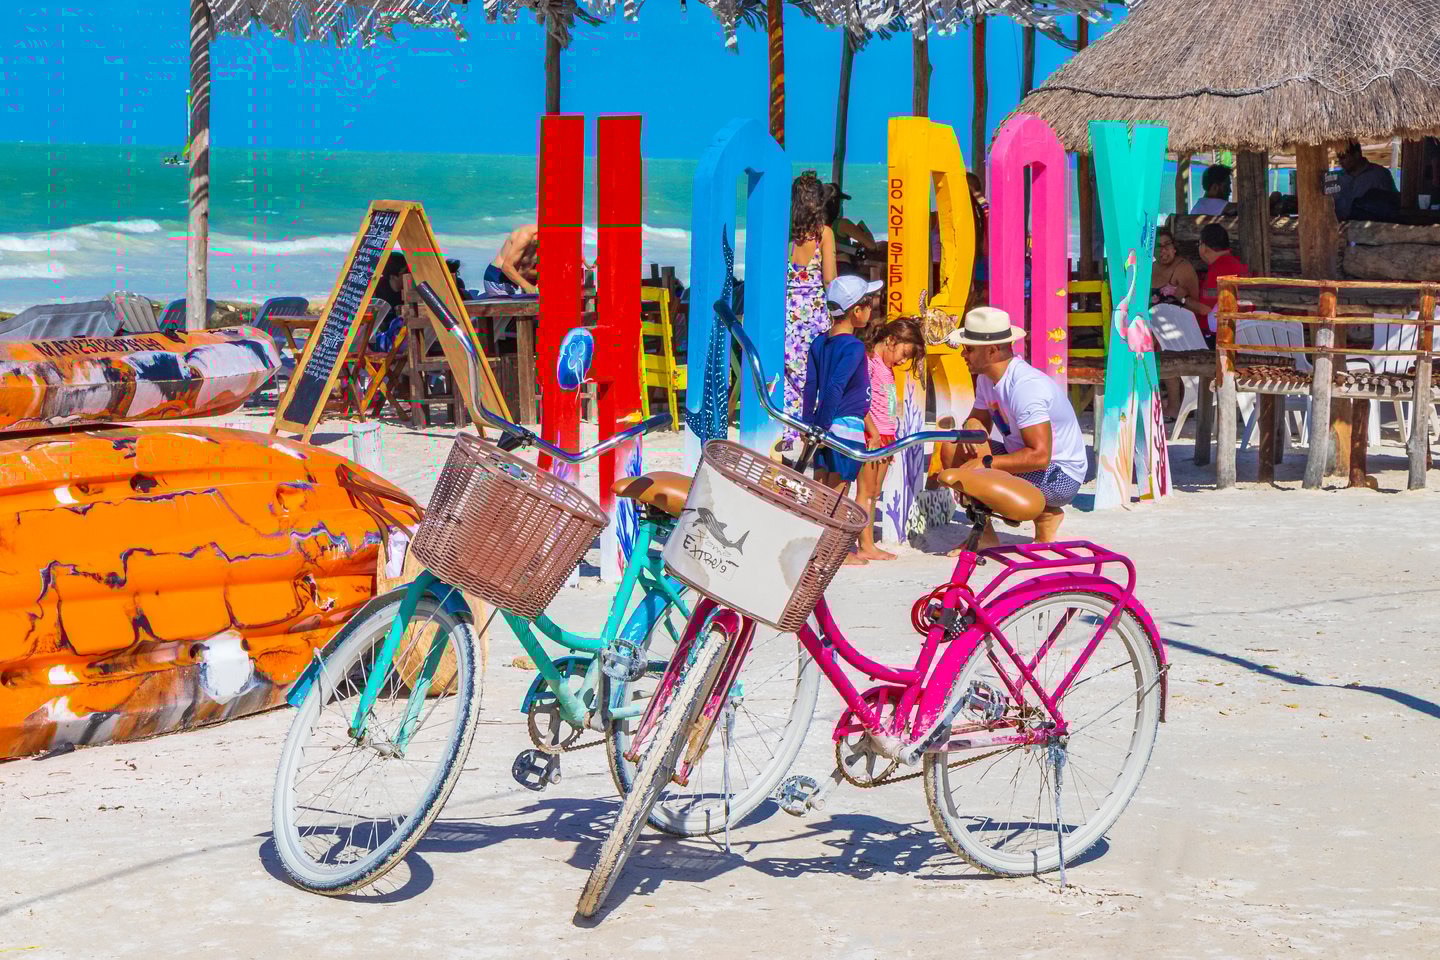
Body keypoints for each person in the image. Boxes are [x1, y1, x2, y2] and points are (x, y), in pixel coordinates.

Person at [935, 306, 1088, 550]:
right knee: (953, 448)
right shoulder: (988, 379)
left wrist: (985, 464)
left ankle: (1045, 512)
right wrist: (972, 424)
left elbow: (1039, 456)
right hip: (1031, 461)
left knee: (972, 470)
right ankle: (986, 532)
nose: (964, 354)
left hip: (1060, 475)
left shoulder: (1026, 387)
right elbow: (976, 425)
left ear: (992, 350)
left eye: (969, 349)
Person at [802, 274, 880, 564]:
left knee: (821, 487)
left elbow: (811, 386)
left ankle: (818, 548)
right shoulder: (854, 347)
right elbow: (835, 386)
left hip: (822, 423)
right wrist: (822, 427)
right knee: (839, 492)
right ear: (856, 311)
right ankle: (837, 551)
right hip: (844, 426)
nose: (871, 310)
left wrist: (809, 423)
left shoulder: (819, 343)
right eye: (869, 304)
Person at [855, 316, 927, 562]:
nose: (904, 360)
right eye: (904, 353)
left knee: (875, 492)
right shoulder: (870, 363)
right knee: (865, 491)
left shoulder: (887, 369)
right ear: (891, 340)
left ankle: (868, 541)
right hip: (871, 435)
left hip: (886, 436)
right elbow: (860, 400)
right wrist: (873, 431)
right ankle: (864, 543)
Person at [781, 172, 839, 451]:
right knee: (814, 375)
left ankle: (789, 432)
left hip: (789, 312)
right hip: (814, 313)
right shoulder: (824, 234)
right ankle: (810, 430)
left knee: (790, 376)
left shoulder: (785, 234)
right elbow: (829, 278)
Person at [1152, 226, 1202, 417]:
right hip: (1155, 327)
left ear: (1174, 248)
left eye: (1167, 245)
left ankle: (1174, 405)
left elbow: (1194, 304)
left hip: (1180, 330)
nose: (1163, 250)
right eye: (1158, 246)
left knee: (1165, 349)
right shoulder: (1151, 268)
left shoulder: (1183, 269)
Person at [1187, 223, 1251, 343]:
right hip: (1242, 332)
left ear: (1204, 248)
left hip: (1222, 337)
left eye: (1199, 244)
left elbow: (1204, 309)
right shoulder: (1234, 263)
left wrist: (1183, 298)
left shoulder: (1219, 268)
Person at [1335, 141, 1400, 221]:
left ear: (1356, 155)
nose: (1340, 162)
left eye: (1343, 157)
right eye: (1338, 159)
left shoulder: (1379, 175)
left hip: (1370, 228)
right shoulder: (1337, 177)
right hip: (1340, 229)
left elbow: (1393, 203)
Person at [484, 223, 539, 296]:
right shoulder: (525, 236)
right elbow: (506, 267)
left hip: (514, 282)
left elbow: (525, 270)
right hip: (498, 279)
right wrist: (528, 287)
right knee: (506, 307)